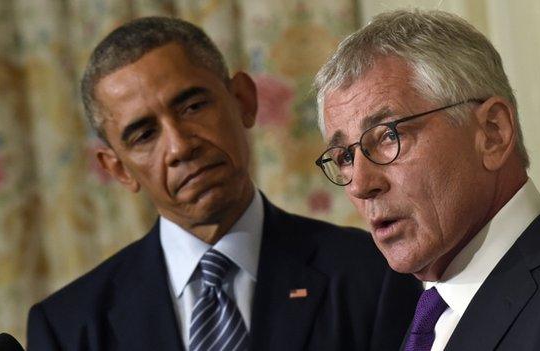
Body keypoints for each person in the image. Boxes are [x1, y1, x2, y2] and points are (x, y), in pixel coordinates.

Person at [26, 16, 420, 351]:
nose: (180, 146)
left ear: (243, 101)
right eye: (144, 134)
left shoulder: (373, 273)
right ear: (118, 169)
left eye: (193, 106)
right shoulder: (68, 327)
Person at [314, 9, 540, 351]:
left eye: (388, 136)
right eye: (344, 156)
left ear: (492, 133)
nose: (360, 184)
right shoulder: (414, 318)